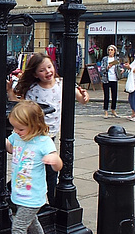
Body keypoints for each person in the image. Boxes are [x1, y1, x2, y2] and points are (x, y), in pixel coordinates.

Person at [0, 101, 63, 234]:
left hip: (34, 194)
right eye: (14, 128)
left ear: (35, 126)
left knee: (19, 226)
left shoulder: (44, 142)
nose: (16, 131)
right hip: (20, 191)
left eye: (20, 128)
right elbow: (11, 149)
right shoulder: (18, 137)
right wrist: (0, 138)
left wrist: (54, 162)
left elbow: (58, 163)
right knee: (31, 219)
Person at [7, 52, 89, 203]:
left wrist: (84, 97)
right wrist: (10, 93)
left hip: (49, 134)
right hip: (32, 132)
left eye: (49, 67)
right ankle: (18, 192)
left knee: (48, 168)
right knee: (29, 165)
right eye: (42, 70)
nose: (48, 72)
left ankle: (51, 199)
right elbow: (22, 108)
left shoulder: (62, 84)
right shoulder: (33, 88)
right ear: (35, 74)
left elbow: (80, 99)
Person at [99, 45, 125, 118]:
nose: (110, 51)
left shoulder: (116, 59)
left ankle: (113, 110)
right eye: (109, 50)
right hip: (106, 79)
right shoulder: (105, 59)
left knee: (114, 96)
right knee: (106, 96)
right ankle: (106, 111)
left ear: (114, 51)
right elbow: (102, 69)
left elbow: (119, 67)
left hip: (114, 79)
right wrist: (107, 67)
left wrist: (122, 70)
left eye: (112, 50)